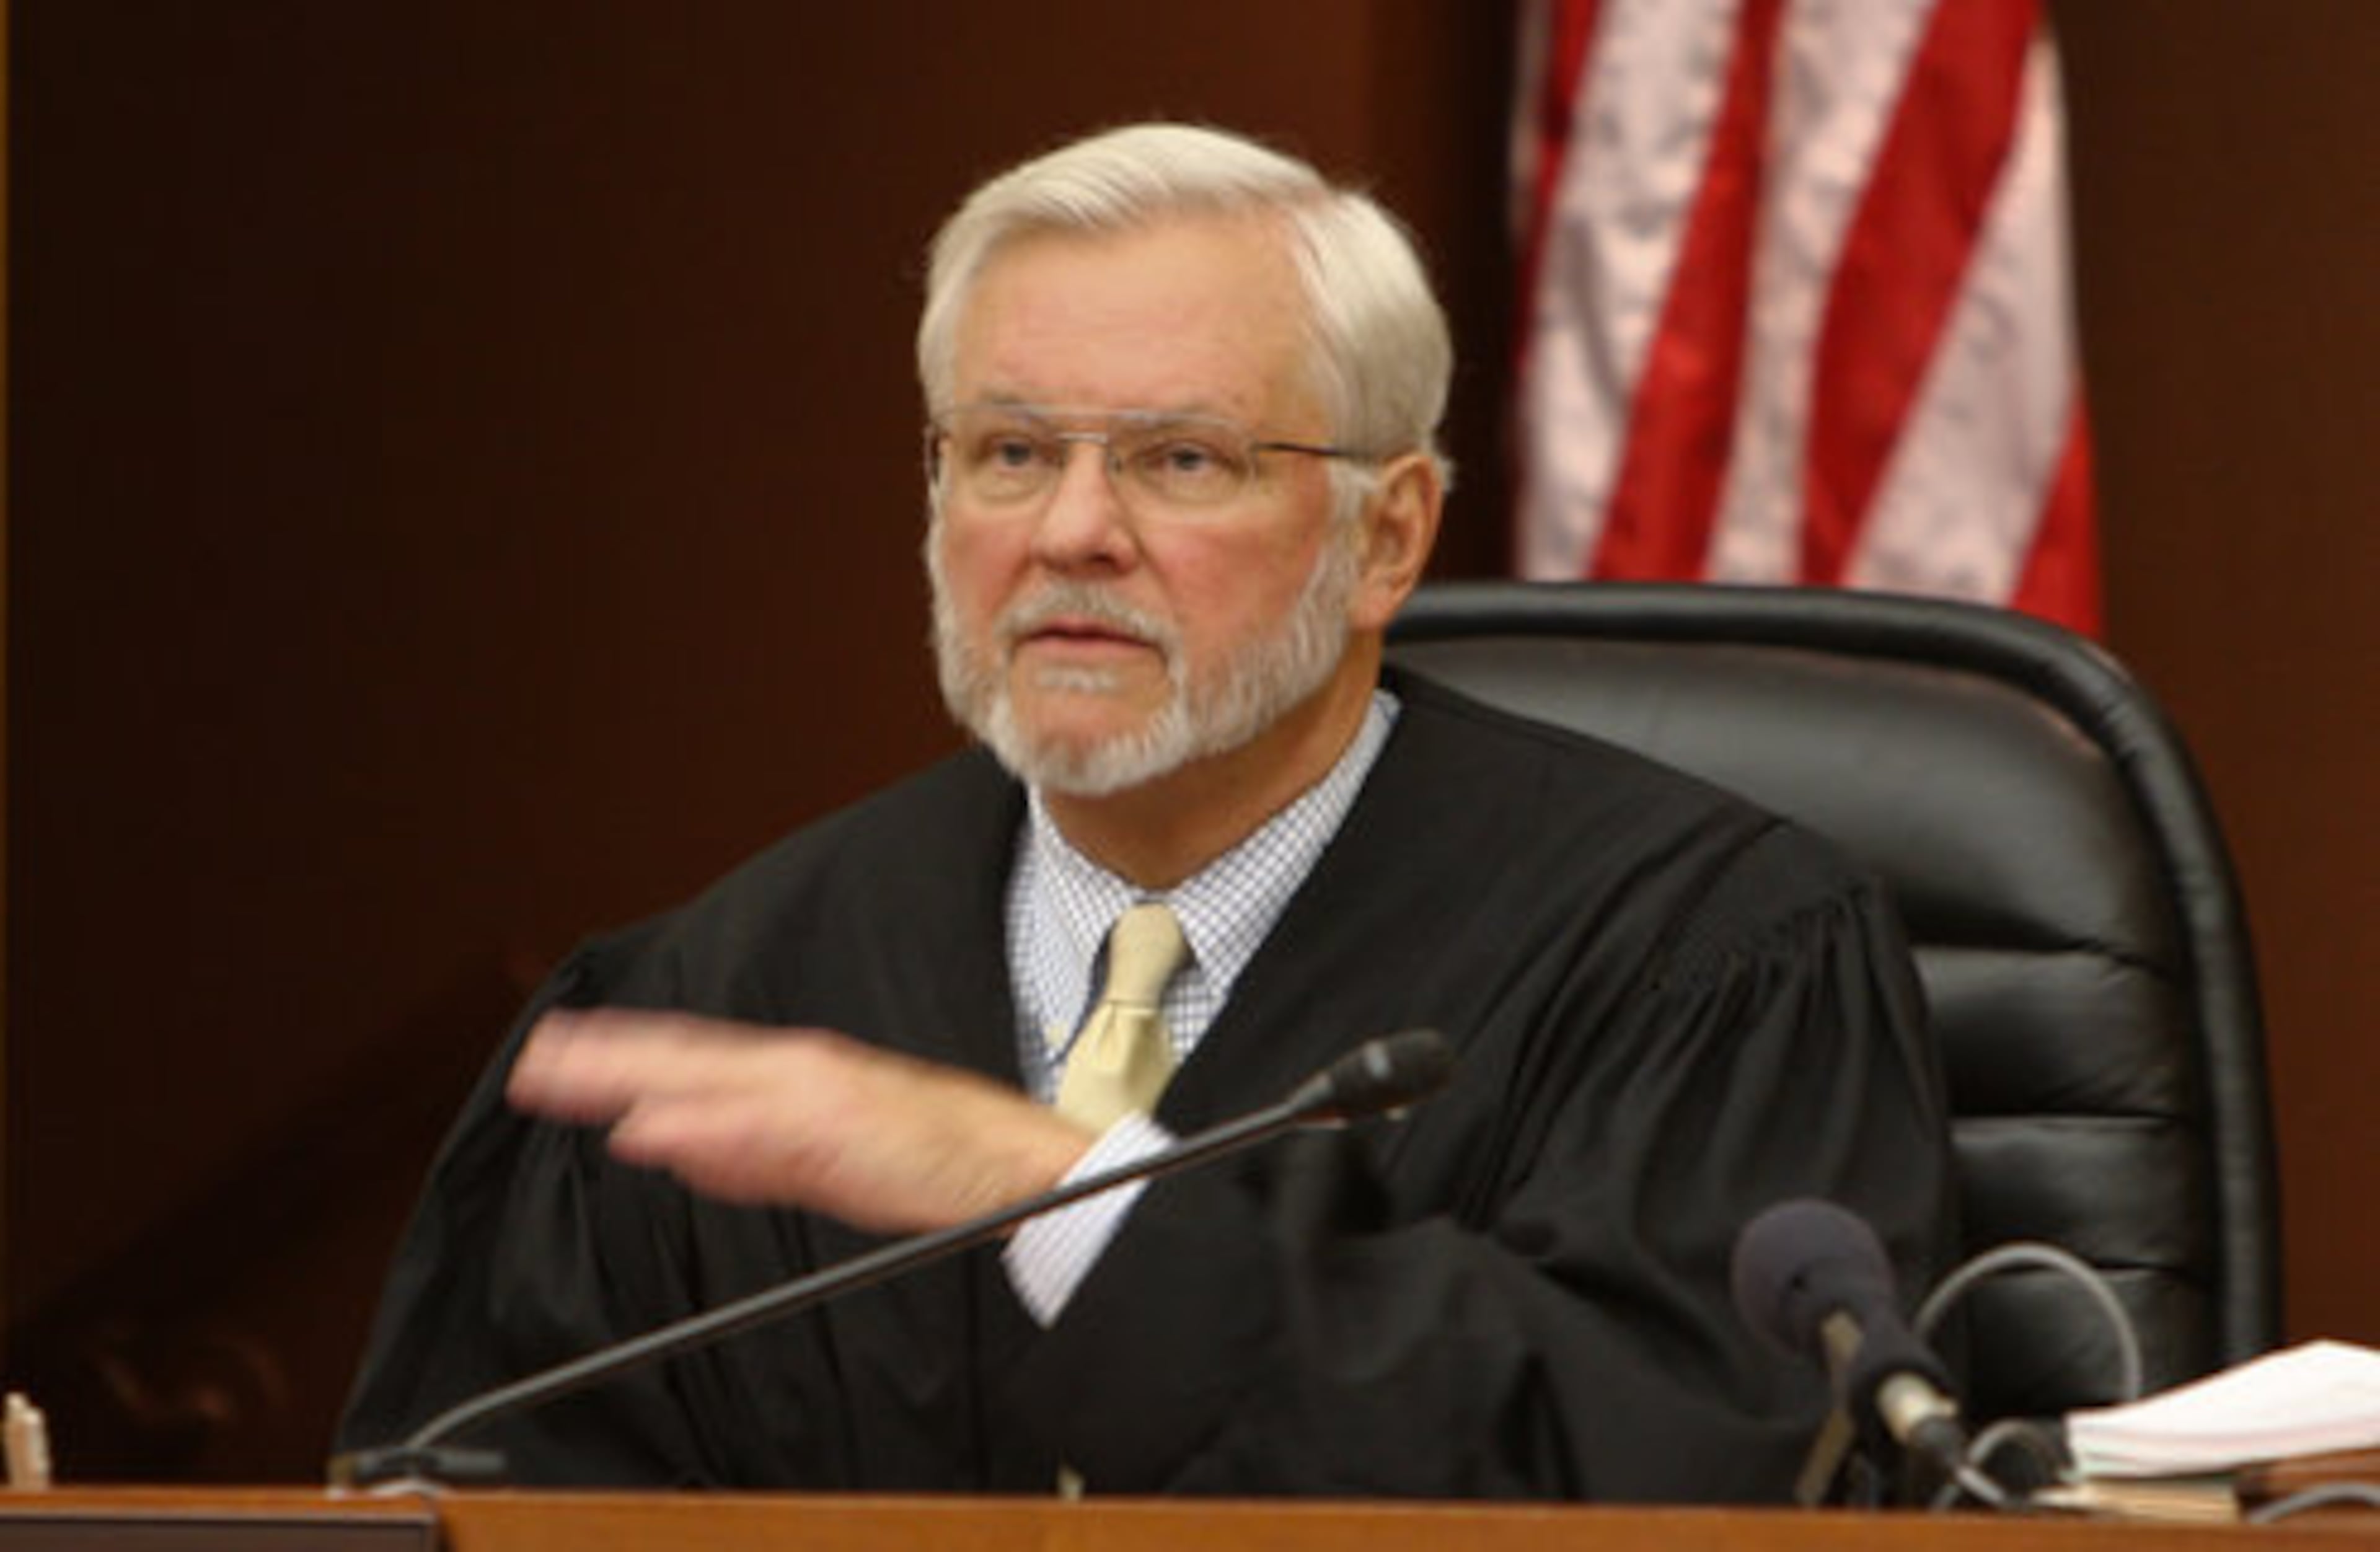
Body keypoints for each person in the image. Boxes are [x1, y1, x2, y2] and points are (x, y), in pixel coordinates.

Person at [338, 121, 1954, 1502]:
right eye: (1010, 451)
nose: (1071, 532)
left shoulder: (1701, 960)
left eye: (1180, 460)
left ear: (1386, 537)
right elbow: (473, 1503)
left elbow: (1684, 1486)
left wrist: (1048, 1191)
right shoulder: (725, 994)